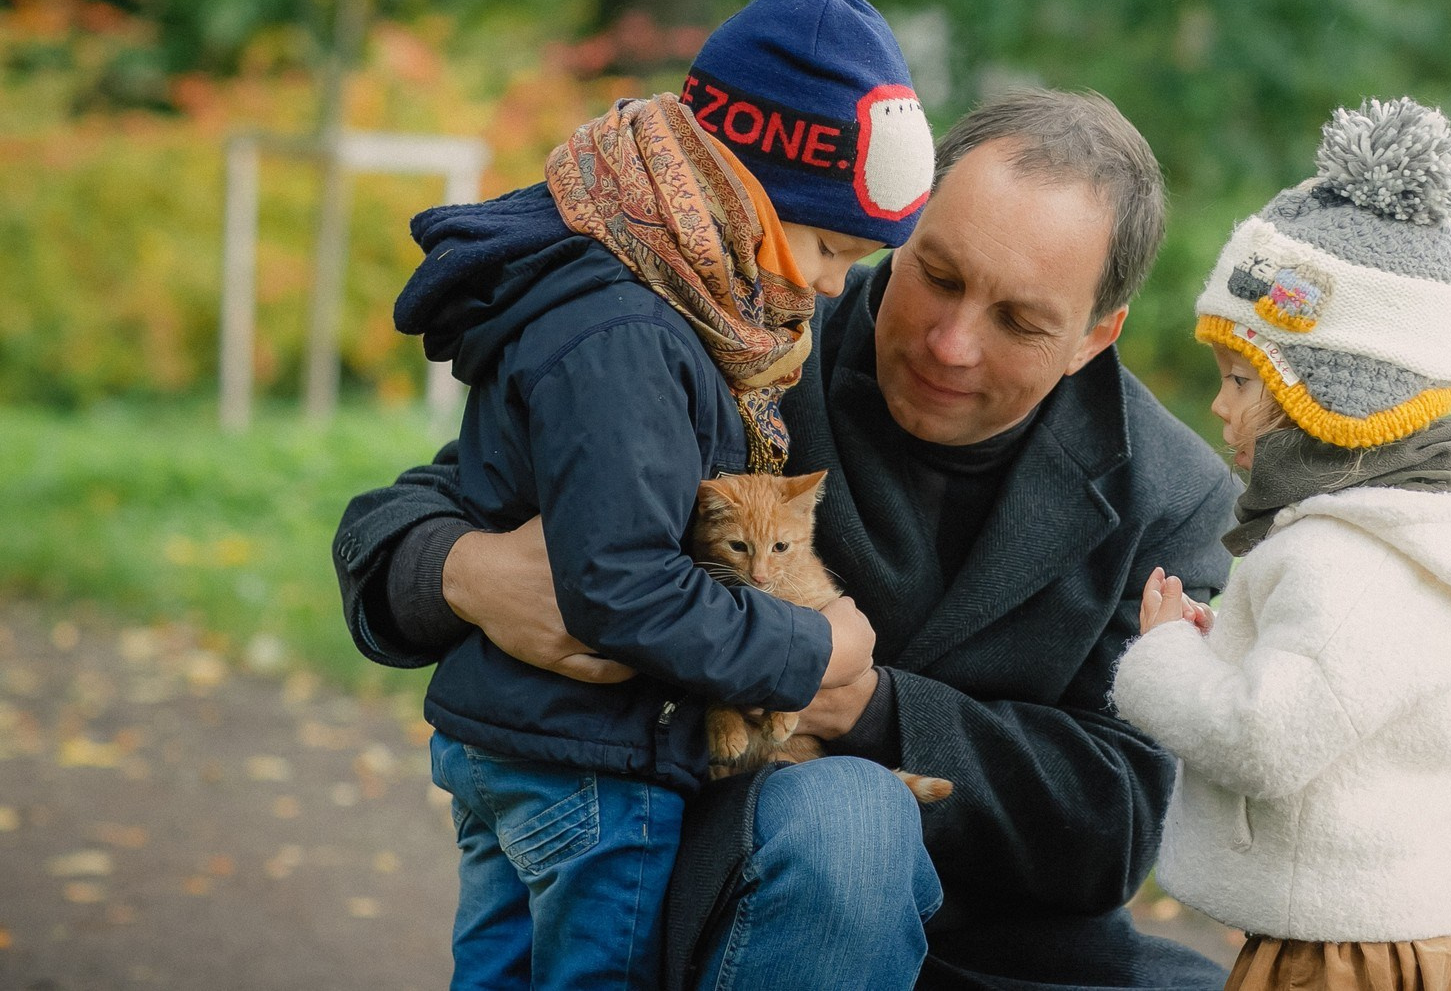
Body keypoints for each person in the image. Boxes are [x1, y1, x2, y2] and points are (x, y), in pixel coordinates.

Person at [333, 87, 1239, 990]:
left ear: (1095, 336)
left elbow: (1114, 821)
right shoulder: (738, 334)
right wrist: (466, 572)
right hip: (727, 888)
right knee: (847, 819)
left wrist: (866, 707)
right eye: (938, 275)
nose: (951, 343)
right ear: (899, 231)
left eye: (1018, 321)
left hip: (1012, 949)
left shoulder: (1175, 494)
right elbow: (398, 523)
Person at [385, 0, 936, 990]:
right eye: (828, 246)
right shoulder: (631, 335)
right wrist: (811, 647)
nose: (832, 285)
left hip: (519, 742)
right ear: (744, 188)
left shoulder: (614, 292)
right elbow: (624, 588)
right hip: (591, 766)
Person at [1112, 99, 1451, 991]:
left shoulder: (1348, 560)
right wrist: (1226, 654)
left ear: (1328, 398)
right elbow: (1332, 695)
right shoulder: (1420, 535)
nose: (1218, 405)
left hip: (1336, 953)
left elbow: (1265, 739)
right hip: (1403, 932)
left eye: (1241, 378)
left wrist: (1165, 658)